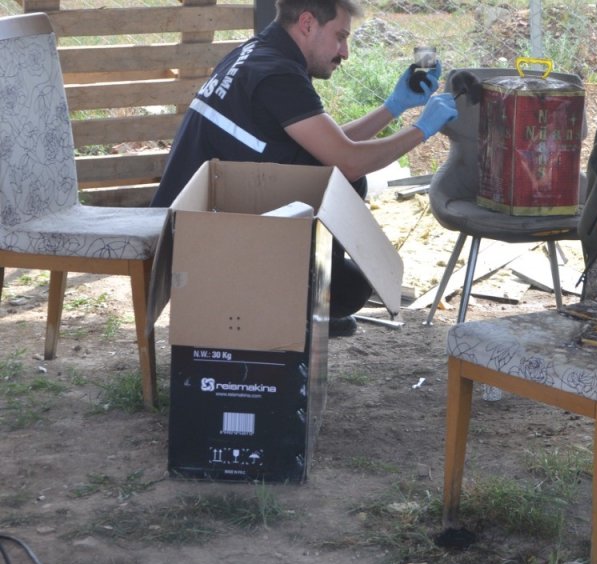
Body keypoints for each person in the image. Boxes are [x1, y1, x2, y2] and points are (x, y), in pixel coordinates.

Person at [151, 0, 457, 337]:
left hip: (192, 225)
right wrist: (421, 130)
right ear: (308, 23)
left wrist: (393, 108)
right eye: (340, 36)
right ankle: (295, 312)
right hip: (202, 247)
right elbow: (349, 162)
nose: (346, 52)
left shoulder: (258, 54)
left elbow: (330, 146)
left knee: (345, 261)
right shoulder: (278, 75)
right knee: (348, 279)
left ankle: (302, 306)